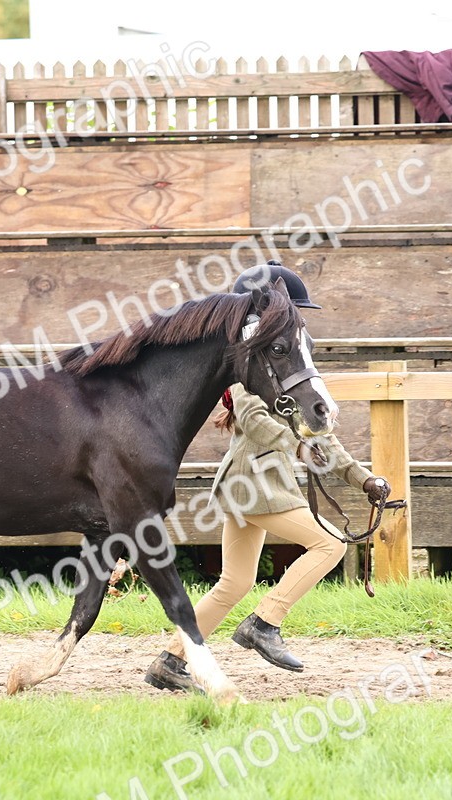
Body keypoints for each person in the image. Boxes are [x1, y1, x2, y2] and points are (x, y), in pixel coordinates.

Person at [145, 264, 390, 692]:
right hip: (256, 484)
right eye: (289, 311)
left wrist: (363, 479)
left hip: (252, 485)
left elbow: (321, 438)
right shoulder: (246, 365)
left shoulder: (290, 370)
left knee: (233, 583)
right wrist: (297, 446)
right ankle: (265, 622)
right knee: (329, 544)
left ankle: (171, 660)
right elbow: (256, 422)